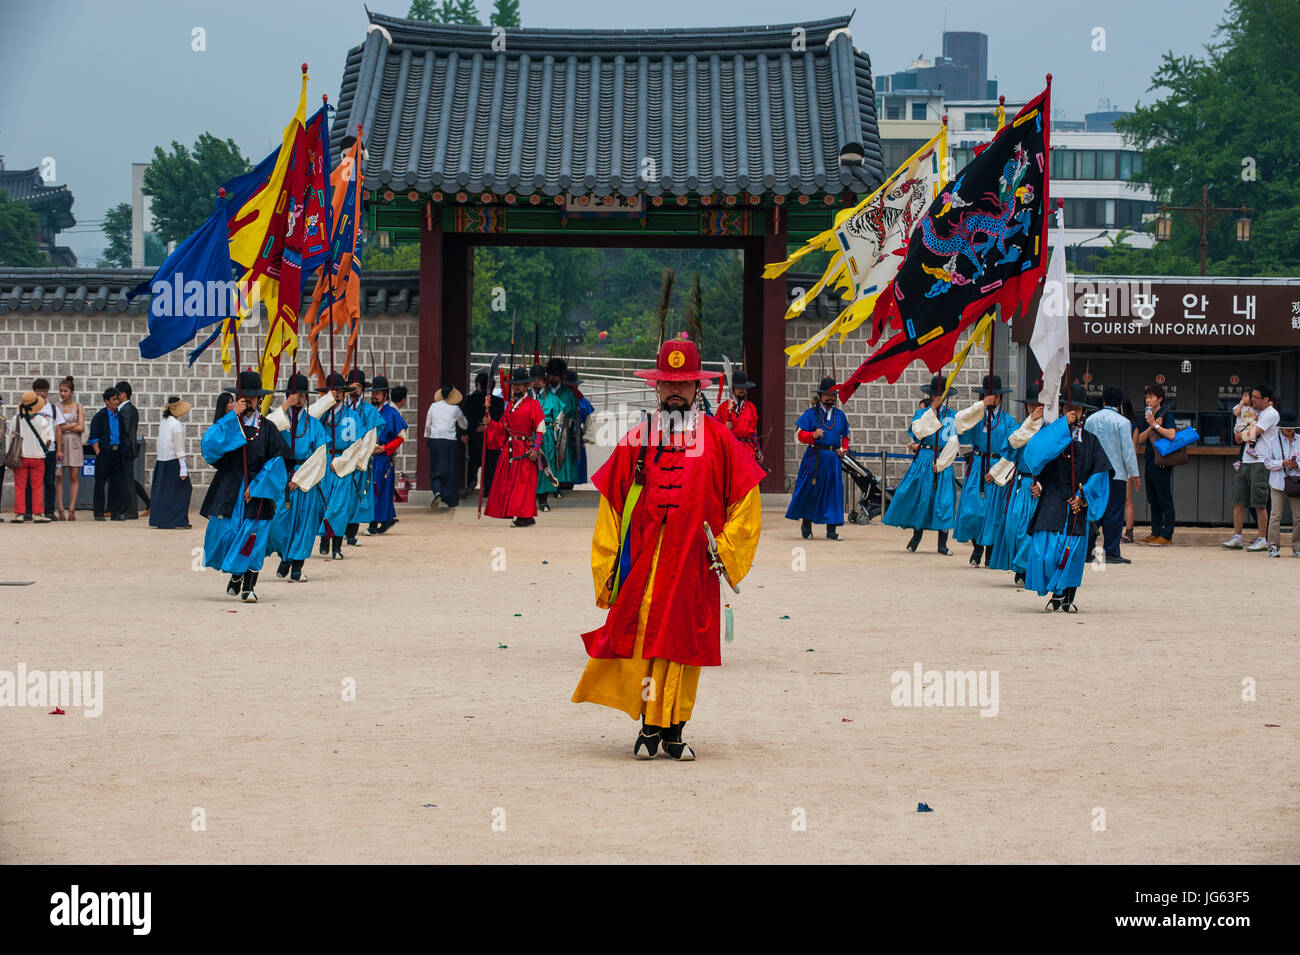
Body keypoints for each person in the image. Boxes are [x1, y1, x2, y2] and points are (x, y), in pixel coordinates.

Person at [572, 337, 764, 760]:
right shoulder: (636, 438)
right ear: (656, 388)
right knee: (643, 640)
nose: (676, 391)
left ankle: (675, 727)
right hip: (646, 561)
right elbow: (611, 505)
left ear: (698, 388)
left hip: (694, 561)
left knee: (684, 643)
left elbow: (747, 500)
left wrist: (726, 550)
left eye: (685, 384)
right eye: (668, 384)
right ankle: (648, 727)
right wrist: (608, 566)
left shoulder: (718, 439)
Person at [199, 371, 289, 603]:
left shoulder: (267, 428)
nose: (248, 401)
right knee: (228, 535)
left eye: (253, 397)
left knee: (254, 539)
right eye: (243, 396)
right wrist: (232, 417)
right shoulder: (230, 424)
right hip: (230, 489)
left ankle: (248, 586)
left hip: (258, 492)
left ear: (260, 399)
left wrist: (258, 486)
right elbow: (209, 447)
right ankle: (236, 574)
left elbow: (278, 461)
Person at [1023, 384, 1112, 612]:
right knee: (1047, 552)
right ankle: (1057, 592)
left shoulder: (1091, 441)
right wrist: (1063, 427)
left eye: (1079, 410)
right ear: (1062, 409)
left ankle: (1064, 596)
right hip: (1053, 500)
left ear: (1084, 413)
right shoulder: (1051, 433)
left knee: (1071, 552)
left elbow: (1100, 473)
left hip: (1077, 504)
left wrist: (1083, 496)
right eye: (1069, 409)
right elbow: (1034, 456)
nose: (1074, 413)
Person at [883, 375, 960, 555]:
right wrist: (932, 409)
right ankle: (916, 537)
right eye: (936, 396)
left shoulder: (953, 415)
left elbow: (955, 440)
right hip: (925, 458)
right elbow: (918, 432)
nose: (939, 398)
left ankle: (942, 544)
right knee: (922, 499)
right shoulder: (922, 414)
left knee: (944, 501)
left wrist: (941, 463)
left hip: (944, 459)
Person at [267, 373, 331, 580]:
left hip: (306, 481)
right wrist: (285, 406)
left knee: (304, 524)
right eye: (295, 395)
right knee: (279, 524)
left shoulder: (314, 424)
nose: (299, 399)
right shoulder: (280, 419)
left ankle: (297, 567)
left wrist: (300, 479)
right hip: (282, 478)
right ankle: (285, 557)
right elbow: (268, 427)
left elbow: (320, 455)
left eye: (302, 395)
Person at [953, 374, 1015, 566]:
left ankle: (990, 550)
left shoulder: (1007, 421)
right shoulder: (977, 417)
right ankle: (977, 546)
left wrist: (997, 471)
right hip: (978, 465)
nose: (992, 399)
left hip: (997, 467)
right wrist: (979, 408)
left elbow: (1012, 448)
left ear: (1000, 397)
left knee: (994, 510)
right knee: (972, 509)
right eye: (988, 396)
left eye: (995, 395)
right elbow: (960, 425)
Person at [986, 384, 1044, 586]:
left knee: (1032, 530)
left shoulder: (1049, 430)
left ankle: (1027, 569)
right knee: (1014, 527)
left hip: (1040, 485)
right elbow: (1010, 447)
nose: (1032, 408)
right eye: (1029, 405)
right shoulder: (1021, 428)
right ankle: (1019, 567)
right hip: (1021, 483)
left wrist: (1043, 484)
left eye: (1036, 405)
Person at [785, 377, 851, 541]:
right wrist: (812, 435)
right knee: (811, 490)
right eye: (827, 395)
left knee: (833, 493)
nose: (830, 398)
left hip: (833, 459)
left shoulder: (840, 415)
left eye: (833, 395)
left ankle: (831, 530)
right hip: (815, 457)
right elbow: (798, 434)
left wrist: (844, 448)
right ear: (821, 396)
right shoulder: (810, 414)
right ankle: (806, 525)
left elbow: (845, 436)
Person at [1084, 386, 1140, 565]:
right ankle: (1111, 551)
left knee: (1093, 511)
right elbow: (1128, 451)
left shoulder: (1090, 419)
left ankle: (1087, 550)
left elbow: (1085, 448)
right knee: (1114, 513)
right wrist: (1135, 474)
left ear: (1104, 401)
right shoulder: (1123, 422)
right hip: (1116, 474)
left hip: (1094, 474)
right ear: (1120, 404)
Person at [483, 368, 545, 527]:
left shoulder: (533, 404)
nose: (516, 388)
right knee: (508, 483)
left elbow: (540, 429)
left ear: (526, 387)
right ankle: (513, 512)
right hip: (509, 449)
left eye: (520, 385)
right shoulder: (510, 404)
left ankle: (525, 516)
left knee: (523, 484)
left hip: (524, 449)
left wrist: (535, 448)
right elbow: (503, 427)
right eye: (514, 385)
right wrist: (490, 423)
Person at [1222, 383, 1279, 552]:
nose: (1252, 400)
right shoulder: (1251, 411)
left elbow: (1254, 432)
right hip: (1245, 460)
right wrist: (1240, 435)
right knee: (1238, 500)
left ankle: (1263, 538)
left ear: (1267, 400)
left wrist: (1241, 435)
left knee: (1259, 502)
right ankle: (1237, 537)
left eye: (1256, 397)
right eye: (1251, 396)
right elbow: (1239, 434)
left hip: (1261, 461)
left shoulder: (1271, 413)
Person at [1136, 384, 1177, 546]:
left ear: (1160, 399)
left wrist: (1157, 425)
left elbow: (1172, 435)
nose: (1148, 400)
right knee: (1153, 498)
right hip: (1150, 460)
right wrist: (1151, 425)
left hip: (1162, 461)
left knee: (1164, 497)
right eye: (1146, 397)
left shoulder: (1166, 415)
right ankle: (1155, 532)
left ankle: (1167, 534)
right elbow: (1140, 439)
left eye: (1151, 397)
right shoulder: (1148, 416)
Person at [537, 357, 580, 511]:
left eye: (556, 375)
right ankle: (545, 489)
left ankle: (558, 486)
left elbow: (573, 411)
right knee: (546, 458)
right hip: (545, 430)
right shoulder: (543, 392)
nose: (552, 378)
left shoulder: (568, 393)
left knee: (560, 457)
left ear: (562, 376)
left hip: (564, 428)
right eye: (550, 375)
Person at [367, 375, 408, 534]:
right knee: (373, 489)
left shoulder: (391, 412)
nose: (374, 396)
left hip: (383, 457)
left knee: (378, 490)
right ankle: (384, 519)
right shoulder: (370, 411)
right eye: (373, 393)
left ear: (385, 395)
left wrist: (385, 449)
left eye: (377, 393)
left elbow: (401, 436)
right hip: (370, 456)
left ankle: (374, 523)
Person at [10, 391, 55, 523]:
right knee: (37, 486)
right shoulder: (42, 420)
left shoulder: (16, 419)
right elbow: (48, 440)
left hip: (21, 457)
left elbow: (12, 436)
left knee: (20, 486)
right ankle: (38, 513)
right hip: (37, 458)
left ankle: (19, 514)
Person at [149, 396, 193, 529]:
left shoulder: (164, 421)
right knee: (183, 490)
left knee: (163, 492)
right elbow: (179, 448)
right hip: (174, 462)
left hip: (161, 461)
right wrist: (183, 468)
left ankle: (161, 519)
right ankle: (178, 520)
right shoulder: (176, 425)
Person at [1262, 409, 1300, 558]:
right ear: (1281, 427)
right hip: (1277, 481)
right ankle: (1273, 546)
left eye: (1291, 426)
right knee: (1275, 515)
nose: (1289, 429)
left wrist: (1296, 465)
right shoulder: (1272, 441)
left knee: (1298, 517)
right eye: (1286, 426)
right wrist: (1282, 463)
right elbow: (1267, 463)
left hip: (1296, 481)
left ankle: (1297, 547)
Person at [88, 386, 129, 521]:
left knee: (117, 484)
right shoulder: (100, 416)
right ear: (106, 401)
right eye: (113, 399)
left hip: (117, 454)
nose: (116, 402)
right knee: (100, 483)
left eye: (117, 399)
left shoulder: (121, 416)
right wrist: (99, 452)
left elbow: (124, 435)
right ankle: (99, 512)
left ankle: (115, 512)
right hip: (104, 454)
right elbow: (94, 437)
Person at [27, 378, 66, 521]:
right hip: (33, 449)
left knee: (49, 482)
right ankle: (29, 510)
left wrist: (60, 449)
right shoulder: (29, 408)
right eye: (39, 391)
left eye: (45, 391)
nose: (42, 393)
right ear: (34, 392)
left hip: (50, 449)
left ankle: (49, 510)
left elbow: (58, 429)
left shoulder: (53, 409)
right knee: (31, 482)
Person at [424, 384, 467, 509]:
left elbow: (428, 424)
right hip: (449, 442)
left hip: (435, 440)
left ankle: (437, 492)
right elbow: (463, 424)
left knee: (435, 469)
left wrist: (428, 437)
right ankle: (450, 499)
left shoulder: (433, 406)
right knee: (450, 470)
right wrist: (465, 427)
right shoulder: (455, 409)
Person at [463, 371, 504, 495]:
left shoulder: (494, 401)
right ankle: (485, 487)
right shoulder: (497, 401)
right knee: (484, 463)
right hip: (480, 435)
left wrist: (485, 426)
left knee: (478, 462)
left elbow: (466, 418)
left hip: (487, 435)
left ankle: (478, 485)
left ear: (479, 385)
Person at [114, 381, 148, 519]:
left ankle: (131, 510)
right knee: (128, 479)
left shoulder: (126, 409)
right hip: (129, 448)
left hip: (126, 449)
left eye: (117, 394)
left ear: (123, 393)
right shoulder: (129, 409)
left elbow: (125, 430)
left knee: (127, 480)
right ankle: (146, 502)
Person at [715, 367, 762, 468]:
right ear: (733, 388)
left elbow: (754, 433)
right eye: (739, 388)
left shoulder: (751, 407)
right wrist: (724, 429)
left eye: (744, 388)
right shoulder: (723, 408)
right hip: (730, 450)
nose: (742, 391)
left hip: (747, 451)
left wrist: (758, 451)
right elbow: (715, 433)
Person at [54, 376, 84, 520]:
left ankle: (72, 508)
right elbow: (56, 427)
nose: (62, 393)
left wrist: (65, 427)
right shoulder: (56, 407)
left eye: (65, 391)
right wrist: (72, 425)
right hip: (60, 443)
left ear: (72, 392)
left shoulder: (78, 407)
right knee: (59, 476)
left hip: (75, 444)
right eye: (61, 391)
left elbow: (81, 426)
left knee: (74, 476)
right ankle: (60, 508)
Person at [568, 368, 595, 485]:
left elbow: (588, 420)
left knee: (576, 463)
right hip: (560, 434)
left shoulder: (582, 401)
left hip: (576, 436)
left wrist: (588, 436)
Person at [1120, 397, 1139, 543]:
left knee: (1127, 500)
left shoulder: (1132, 426)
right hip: (1121, 465)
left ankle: (1129, 532)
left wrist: (1133, 471)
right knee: (1124, 500)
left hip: (1124, 466)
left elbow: (1132, 449)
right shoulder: (1126, 424)